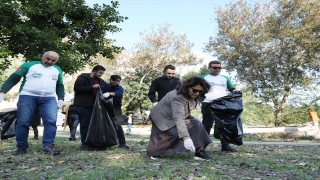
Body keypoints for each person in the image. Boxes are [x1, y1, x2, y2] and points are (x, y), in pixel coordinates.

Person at [0, 51, 64, 155]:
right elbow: (14, 78)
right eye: (48, 59)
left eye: (53, 60)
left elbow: (60, 85)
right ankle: (21, 147)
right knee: (23, 122)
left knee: (51, 121)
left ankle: (48, 145)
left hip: (49, 98)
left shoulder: (57, 69)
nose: (50, 62)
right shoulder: (30, 65)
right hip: (27, 96)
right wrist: (3, 92)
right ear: (42, 56)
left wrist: (61, 98)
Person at [147, 76, 213, 160]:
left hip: (179, 114)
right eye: (195, 90)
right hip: (161, 117)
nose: (197, 93)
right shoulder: (178, 97)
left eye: (200, 91)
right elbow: (179, 118)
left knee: (197, 124)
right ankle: (156, 151)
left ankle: (199, 151)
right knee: (173, 133)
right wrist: (186, 138)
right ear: (187, 87)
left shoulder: (193, 95)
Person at [200, 60, 240, 153]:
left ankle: (225, 146)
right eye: (215, 67)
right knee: (206, 125)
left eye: (219, 68)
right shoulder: (203, 77)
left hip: (222, 105)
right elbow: (195, 89)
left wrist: (236, 92)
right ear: (209, 68)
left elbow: (232, 89)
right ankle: (201, 148)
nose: (217, 69)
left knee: (223, 125)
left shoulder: (225, 78)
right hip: (208, 103)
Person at [73, 65, 106, 150]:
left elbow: (105, 88)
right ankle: (84, 143)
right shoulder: (83, 77)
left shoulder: (101, 81)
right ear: (94, 71)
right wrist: (91, 87)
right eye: (100, 73)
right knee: (84, 124)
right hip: (83, 104)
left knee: (94, 124)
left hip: (95, 106)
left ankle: (93, 143)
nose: (101, 75)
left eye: (102, 73)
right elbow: (77, 88)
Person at [101, 75, 129, 149]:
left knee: (118, 125)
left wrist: (110, 94)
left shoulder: (119, 88)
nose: (115, 82)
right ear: (110, 80)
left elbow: (118, 93)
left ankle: (122, 143)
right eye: (114, 80)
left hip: (116, 108)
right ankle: (106, 142)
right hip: (105, 108)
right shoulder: (105, 86)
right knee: (105, 125)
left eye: (118, 81)